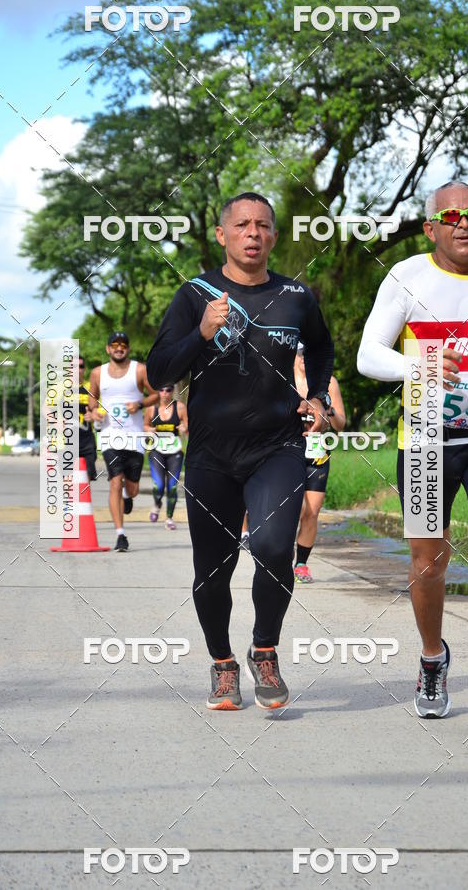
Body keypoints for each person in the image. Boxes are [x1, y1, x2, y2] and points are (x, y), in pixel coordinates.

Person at [357, 180, 468, 720]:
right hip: (423, 438)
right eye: (453, 216)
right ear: (430, 227)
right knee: (427, 562)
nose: (465, 223)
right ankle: (433, 659)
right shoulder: (406, 277)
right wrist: (419, 366)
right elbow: (369, 354)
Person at [147, 191, 334, 711]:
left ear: (274, 236)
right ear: (222, 234)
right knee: (214, 567)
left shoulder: (296, 296)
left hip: (277, 446)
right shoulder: (195, 294)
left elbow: (321, 346)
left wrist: (316, 396)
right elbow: (161, 369)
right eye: (243, 225)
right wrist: (201, 333)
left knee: (275, 548)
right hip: (210, 454)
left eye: (264, 226)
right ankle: (223, 664)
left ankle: (265, 650)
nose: (254, 233)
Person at [87, 331, 158, 552]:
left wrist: (140, 405)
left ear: (128, 348)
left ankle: (128, 496)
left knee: (132, 488)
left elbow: (155, 394)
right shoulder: (97, 373)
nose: (119, 348)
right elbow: (92, 399)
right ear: (108, 348)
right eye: (114, 345)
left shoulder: (140, 369)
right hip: (110, 436)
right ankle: (120, 535)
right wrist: (95, 412)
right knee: (115, 481)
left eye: (123, 345)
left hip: (134, 438)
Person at [293, 343, 346, 583]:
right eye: (300, 353)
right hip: (289, 450)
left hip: (317, 452)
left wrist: (328, 410)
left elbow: (340, 424)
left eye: (308, 353)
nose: (304, 358)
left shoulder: (329, 383)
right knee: (294, 509)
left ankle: (301, 563)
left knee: (312, 511)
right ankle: (279, 557)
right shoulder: (284, 377)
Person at [144, 385, 188, 530]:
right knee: (159, 486)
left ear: (172, 391)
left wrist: (184, 427)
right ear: (157, 392)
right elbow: (145, 425)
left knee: (172, 487)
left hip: (175, 451)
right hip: (156, 451)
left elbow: (187, 425)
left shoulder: (180, 407)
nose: (165, 393)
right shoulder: (151, 408)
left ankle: (169, 518)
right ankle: (157, 504)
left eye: (168, 390)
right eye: (161, 390)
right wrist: (149, 430)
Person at [77, 355, 98, 481]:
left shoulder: (91, 388)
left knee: (87, 477)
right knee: (68, 479)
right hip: (65, 441)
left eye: (81, 366)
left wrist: (93, 415)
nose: (77, 369)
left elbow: (102, 409)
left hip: (87, 440)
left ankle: (83, 501)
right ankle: (69, 501)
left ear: (84, 369)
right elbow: (46, 409)